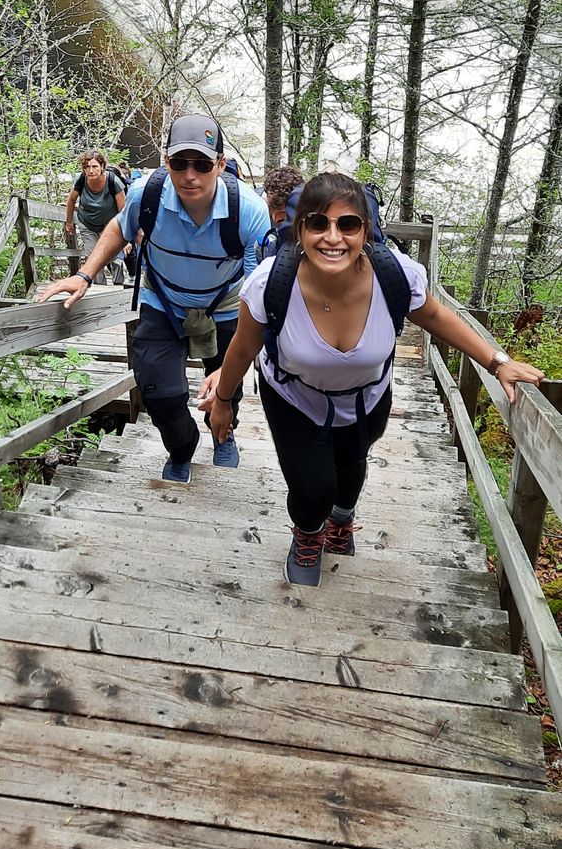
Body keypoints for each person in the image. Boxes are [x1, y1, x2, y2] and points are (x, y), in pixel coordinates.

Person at [201, 170, 544, 588]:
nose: (333, 237)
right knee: (313, 489)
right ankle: (308, 534)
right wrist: (223, 400)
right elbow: (242, 348)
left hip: (367, 398)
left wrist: (497, 362)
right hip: (292, 397)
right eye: (318, 224)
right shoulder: (271, 283)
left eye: (347, 224)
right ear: (300, 230)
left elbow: (436, 317)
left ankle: (341, 521)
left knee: (350, 468)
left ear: (365, 230)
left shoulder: (394, 276)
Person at [41, 115, 270, 482]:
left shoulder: (248, 211)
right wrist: (85, 275)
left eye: (202, 164)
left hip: (225, 304)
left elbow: (262, 280)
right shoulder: (148, 193)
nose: (190, 175)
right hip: (163, 299)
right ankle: (182, 447)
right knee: (157, 390)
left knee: (227, 384)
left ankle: (222, 431)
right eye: (180, 163)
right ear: (167, 162)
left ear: (221, 165)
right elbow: (120, 226)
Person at [64, 150, 127, 284]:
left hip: (110, 224)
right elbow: (71, 201)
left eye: (94, 166)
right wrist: (69, 223)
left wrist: (126, 235)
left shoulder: (113, 181)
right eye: (87, 167)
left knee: (115, 257)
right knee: (93, 257)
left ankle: (119, 285)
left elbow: (123, 210)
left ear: (102, 166)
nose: (91, 171)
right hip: (87, 223)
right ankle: (100, 289)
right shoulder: (81, 180)